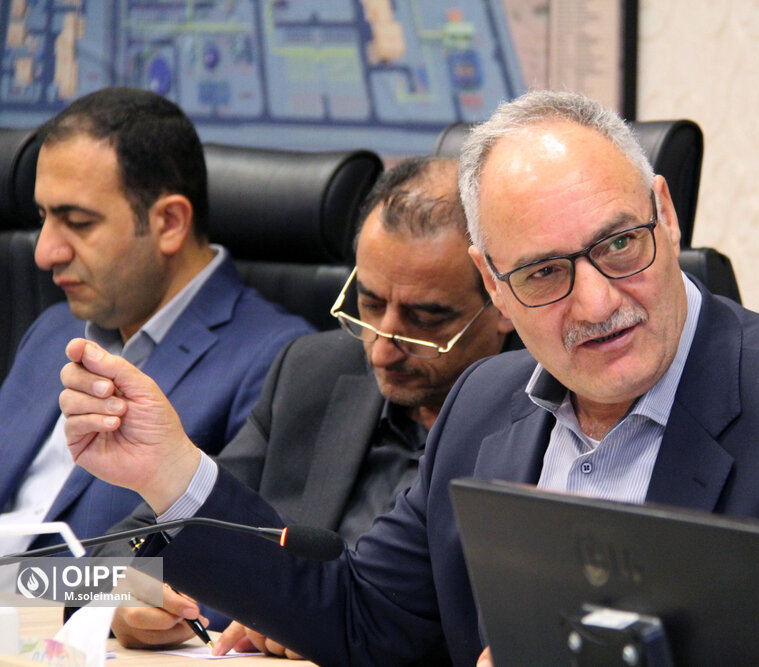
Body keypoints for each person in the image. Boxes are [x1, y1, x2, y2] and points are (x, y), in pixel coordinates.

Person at [59, 91, 759, 665]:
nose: (598, 301)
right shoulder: (484, 402)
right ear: (493, 284)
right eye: (544, 273)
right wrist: (170, 473)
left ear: (666, 215)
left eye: (620, 244)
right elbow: (362, 618)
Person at [101, 156, 516, 653]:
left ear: (501, 300)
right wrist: (116, 598)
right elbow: (124, 541)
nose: (381, 350)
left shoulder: (544, 422)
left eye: (425, 319)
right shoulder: (313, 372)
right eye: (369, 304)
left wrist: (309, 625)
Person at [0, 87, 313, 561]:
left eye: (77, 222)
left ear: (169, 222)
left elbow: (243, 574)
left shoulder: (280, 363)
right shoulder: (53, 329)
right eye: (43, 217)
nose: (45, 253)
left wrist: (38, 587)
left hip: (75, 606)